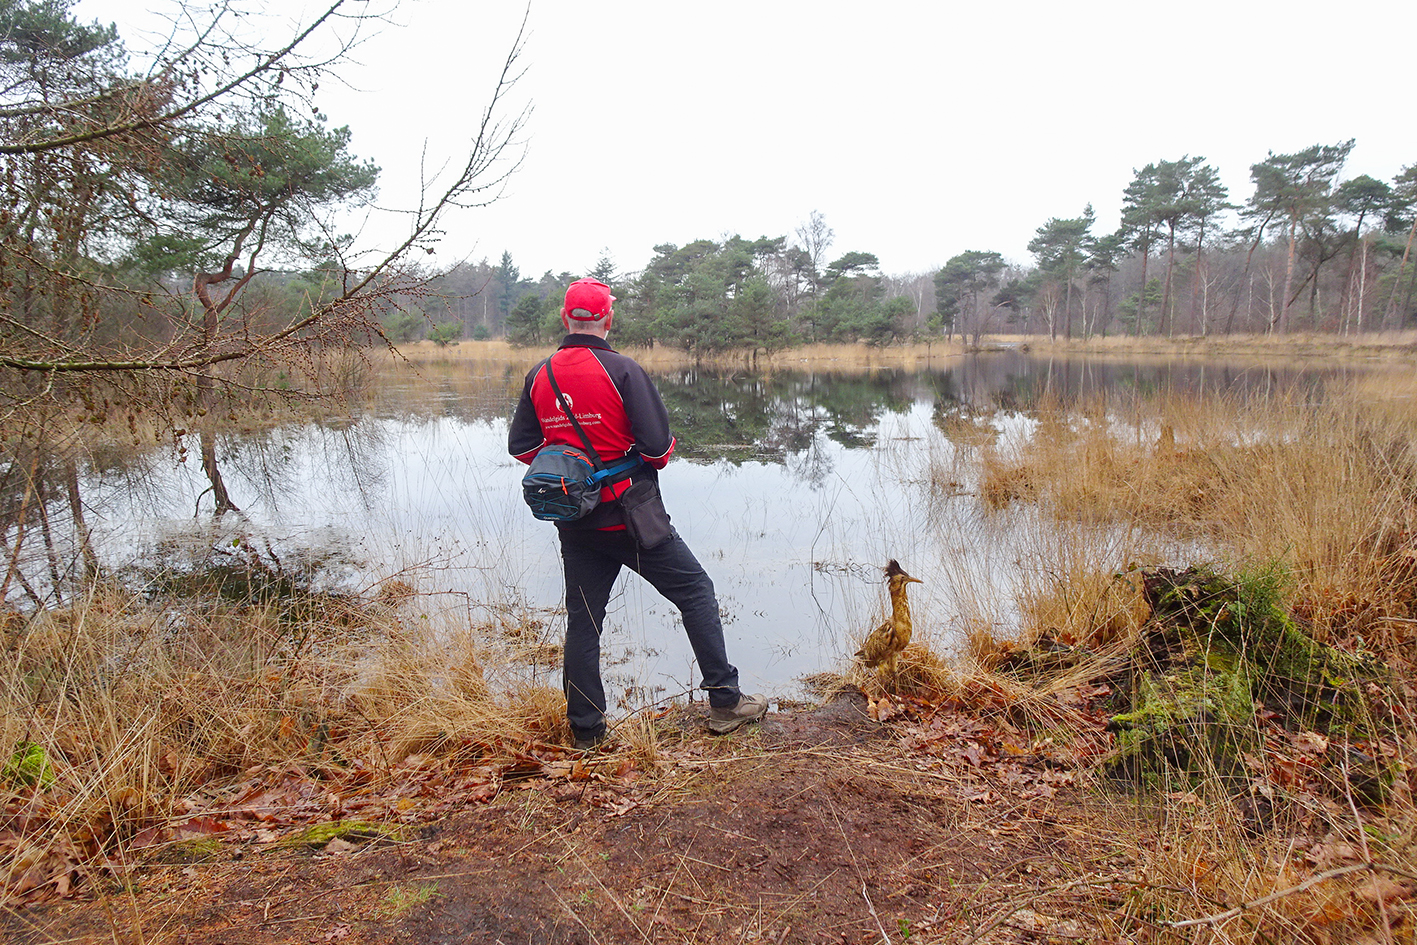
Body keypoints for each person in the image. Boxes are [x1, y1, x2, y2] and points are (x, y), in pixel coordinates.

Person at [508, 278, 768, 750]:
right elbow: (658, 451)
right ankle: (726, 703)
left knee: (584, 622)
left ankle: (587, 733)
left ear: (565, 318)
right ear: (608, 318)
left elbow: (523, 447)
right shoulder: (623, 370)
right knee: (696, 591)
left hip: (575, 522)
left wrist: (574, 466)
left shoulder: (539, 375)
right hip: (634, 520)